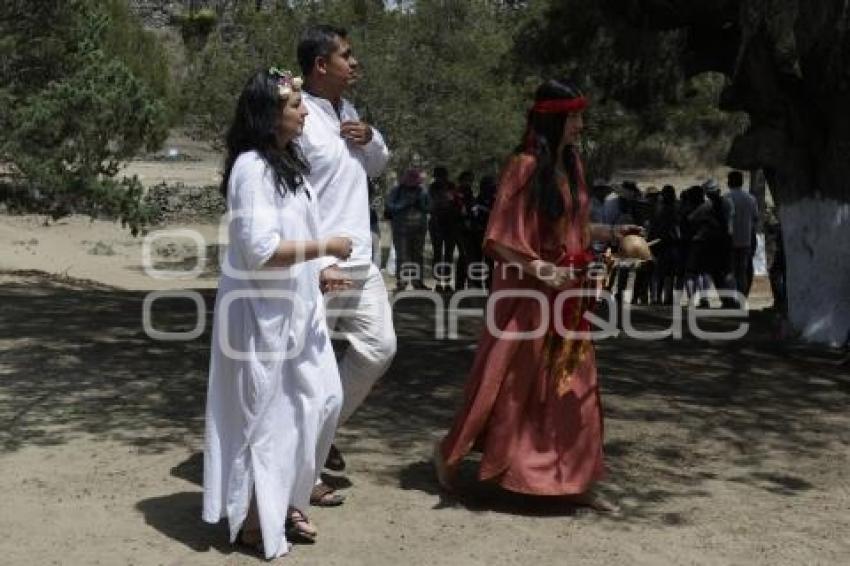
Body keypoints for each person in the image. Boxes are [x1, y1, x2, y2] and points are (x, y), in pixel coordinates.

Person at [433, 79, 640, 511]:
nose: (581, 125)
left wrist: (614, 233)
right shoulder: (523, 166)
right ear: (555, 119)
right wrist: (542, 269)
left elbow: (576, 228)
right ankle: (451, 455)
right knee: (510, 385)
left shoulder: (574, 164)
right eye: (575, 116)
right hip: (529, 293)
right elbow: (500, 236)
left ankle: (573, 480)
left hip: (569, 296)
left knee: (572, 387)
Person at [202, 68, 352, 558]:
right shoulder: (251, 168)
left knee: (324, 400)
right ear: (270, 115)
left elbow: (297, 229)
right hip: (261, 315)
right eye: (295, 106)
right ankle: (253, 519)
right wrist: (324, 247)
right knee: (266, 416)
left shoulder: (286, 164)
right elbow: (261, 250)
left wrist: (321, 267)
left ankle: (284, 498)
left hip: (298, 309)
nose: (305, 110)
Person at [297, 25, 397, 503]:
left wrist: (372, 137)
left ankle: (323, 432)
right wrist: (310, 260)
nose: (355, 64)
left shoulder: (350, 111)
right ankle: (302, 472)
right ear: (321, 65)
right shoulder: (297, 118)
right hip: (318, 262)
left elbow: (376, 166)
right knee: (306, 366)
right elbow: (288, 193)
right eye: (346, 56)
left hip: (361, 257)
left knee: (379, 349)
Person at [385, 168, 430, 290]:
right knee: (402, 255)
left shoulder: (422, 191)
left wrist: (420, 203)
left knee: (418, 255)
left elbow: (429, 208)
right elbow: (389, 206)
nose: (412, 187)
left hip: (419, 228)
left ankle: (418, 282)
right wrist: (404, 204)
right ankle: (402, 281)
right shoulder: (396, 191)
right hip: (401, 229)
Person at [429, 166, 465, 292]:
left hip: (449, 223)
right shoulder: (433, 187)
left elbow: (456, 202)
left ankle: (447, 281)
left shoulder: (451, 186)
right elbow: (433, 204)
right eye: (439, 176)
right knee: (438, 253)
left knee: (448, 254)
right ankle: (439, 282)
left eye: (441, 176)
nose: (440, 179)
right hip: (437, 223)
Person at [724, 170, 759, 299]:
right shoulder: (751, 199)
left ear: (730, 182)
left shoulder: (726, 198)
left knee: (731, 270)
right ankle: (742, 296)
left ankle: (732, 298)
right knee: (743, 271)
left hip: (730, 240)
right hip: (746, 239)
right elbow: (755, 218)